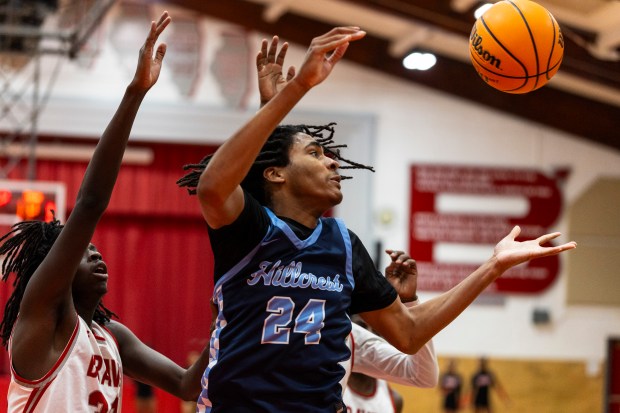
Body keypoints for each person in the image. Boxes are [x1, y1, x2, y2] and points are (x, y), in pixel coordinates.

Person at [176, 27, 576, 412]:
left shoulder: (343, 245)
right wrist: (295, 91)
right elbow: (214, 186)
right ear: (276, 174)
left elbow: (408, 333)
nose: (332, 161)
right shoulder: (251, 229)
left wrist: (493, 266)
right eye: (315, 153)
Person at [0, 11, 210, 412]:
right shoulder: (43, 317)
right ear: (54, 267)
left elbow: (186, 385)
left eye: (94, 249)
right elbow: (91, 203)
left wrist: (227, 318)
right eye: (81, 251)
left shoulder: (111, 335)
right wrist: (135, 93)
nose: (95, 253)